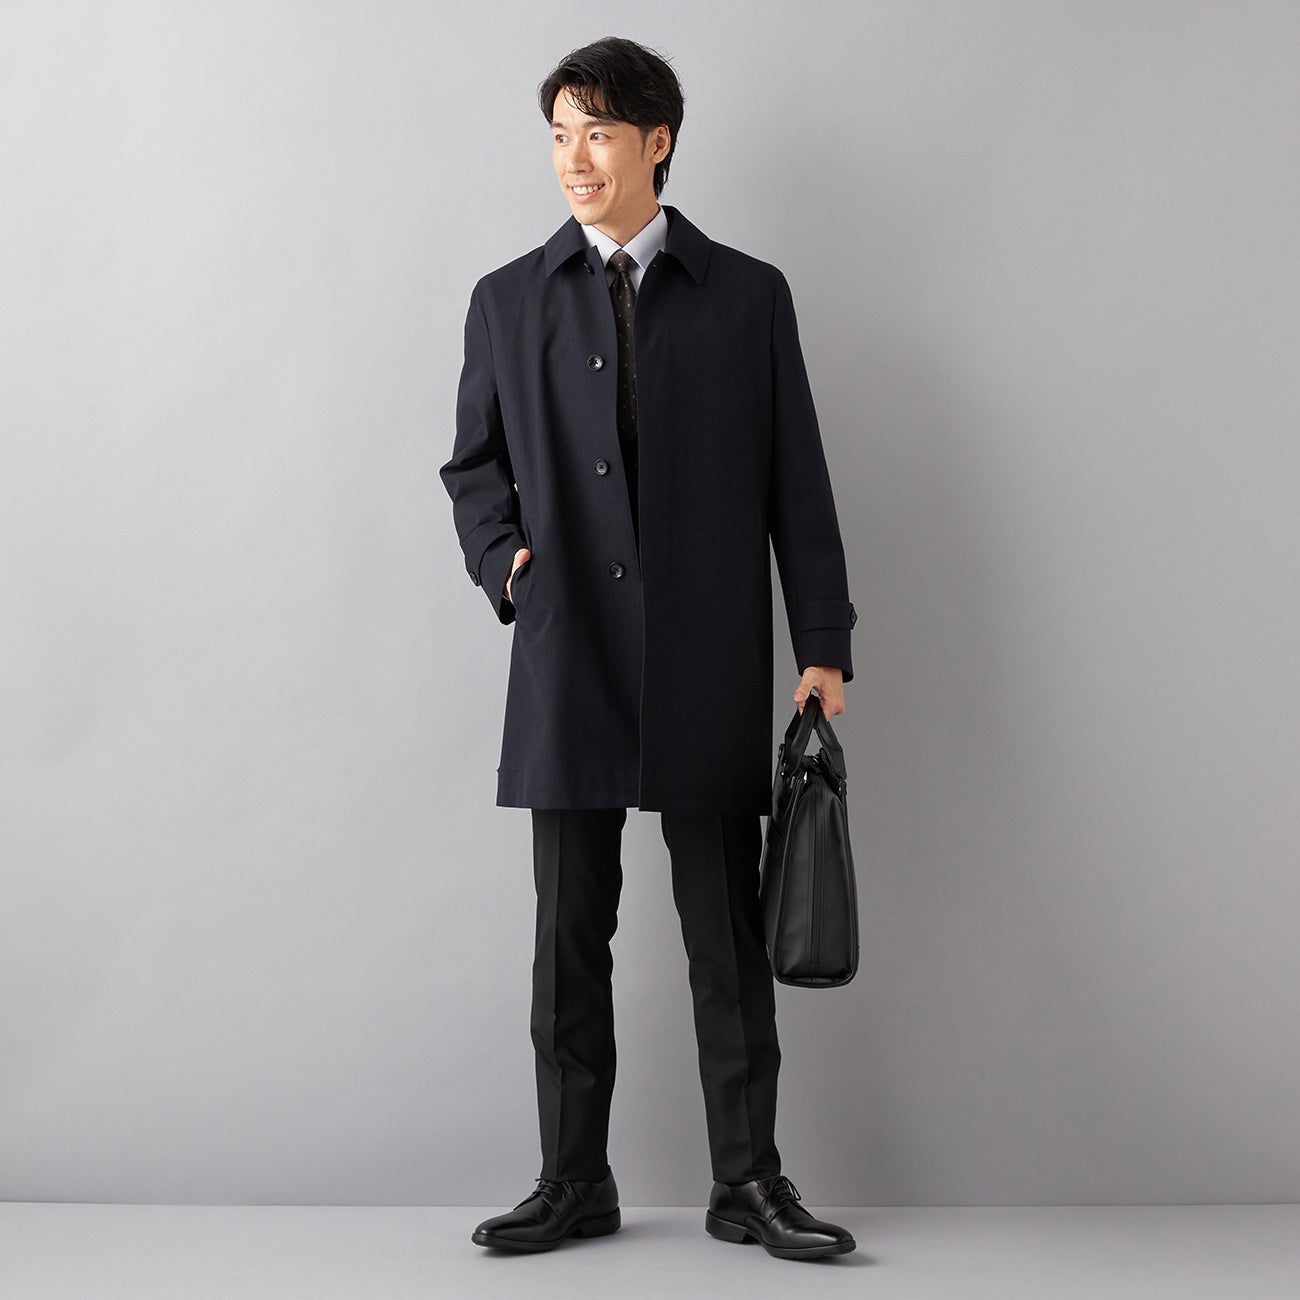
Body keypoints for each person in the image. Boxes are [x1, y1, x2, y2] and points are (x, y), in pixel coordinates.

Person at [441, 36, 858, 1260]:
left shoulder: (748, 296)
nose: (574, 158)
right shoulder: (507, 299)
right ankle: (572, 1180)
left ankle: (748, 1182)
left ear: (656, 141)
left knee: (726, 940)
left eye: (599, 133)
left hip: (704, 658)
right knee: (567, 942)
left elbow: (798, 483)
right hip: (567, 655)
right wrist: (507, 566)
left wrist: (822, 642)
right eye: (559, 135)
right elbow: (472, 468)